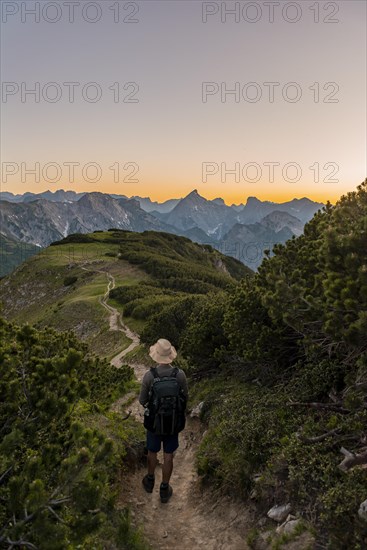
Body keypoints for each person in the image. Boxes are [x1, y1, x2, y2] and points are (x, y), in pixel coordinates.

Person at [139, 338, 188, 503]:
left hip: (154, 423)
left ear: (156, 356)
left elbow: (142, 400)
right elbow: (185, 397)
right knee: (169, 455)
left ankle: (150, 479)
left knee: (152, 451)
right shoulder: (179, 375)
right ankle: (165, 488)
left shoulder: (149, 376)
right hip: (173, 423)